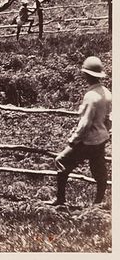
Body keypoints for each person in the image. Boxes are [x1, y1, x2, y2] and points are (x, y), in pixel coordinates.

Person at [48, 56, 111, 207]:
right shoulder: (106, 92)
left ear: (86, 75)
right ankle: (98, 203)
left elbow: (85, 124)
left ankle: (60, 199)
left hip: (87, 140)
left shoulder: (91, 96)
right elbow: (109, 119)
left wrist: (73, 140)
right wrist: (104, 131)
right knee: (99, 170)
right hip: (101, 139)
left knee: (61, 160)